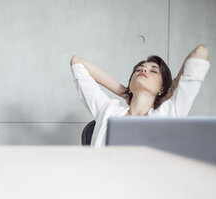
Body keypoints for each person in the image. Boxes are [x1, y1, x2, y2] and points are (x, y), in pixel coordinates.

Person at [70, 45, 210, 147]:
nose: (143, 69)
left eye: (153, 71)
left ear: (162, 87)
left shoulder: (169, 114)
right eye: (138, 69)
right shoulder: (107, 109)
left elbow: (201, 52)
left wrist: (171, 92)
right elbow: (77, 62)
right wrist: (124, 92)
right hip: (103, 183)